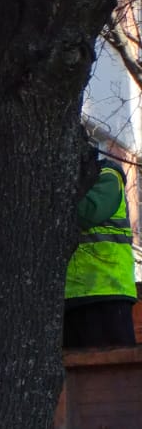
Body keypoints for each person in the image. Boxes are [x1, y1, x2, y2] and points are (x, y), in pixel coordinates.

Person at [65, 149, 137, 348]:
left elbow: (87, 212)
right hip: (72, 296)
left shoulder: (108, 176)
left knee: (114, 363)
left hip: (106, 291)